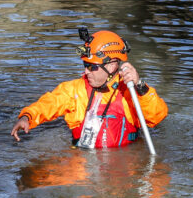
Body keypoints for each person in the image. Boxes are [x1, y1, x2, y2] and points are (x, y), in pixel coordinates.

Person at [11, 29, 167, 149]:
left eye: (92, 67)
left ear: (112, 65)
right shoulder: (75, 90)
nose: (86, 71)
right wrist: (27, 117)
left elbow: (156, 117)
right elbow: (48, 103)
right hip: (82, 166)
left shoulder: (129, 92)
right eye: (85, 65)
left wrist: (140, 86)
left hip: (123, 167)